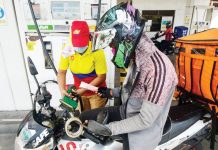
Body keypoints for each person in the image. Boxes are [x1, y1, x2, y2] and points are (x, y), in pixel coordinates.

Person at [79, 2, 178, 150]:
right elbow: (133, 90)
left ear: (126, 39)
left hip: (141, 134)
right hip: (125, 112)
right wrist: (111, 92)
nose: (112, 49)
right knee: (82, 118)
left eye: (112, 44)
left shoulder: (158, 70)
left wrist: (109, 129)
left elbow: (145, 120)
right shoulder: (137, 59)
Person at [58, 21, 107, 111]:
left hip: (96, 93)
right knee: (84, 117)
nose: (79, 47)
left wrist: (82, 90)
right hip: (79, 92)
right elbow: (62, 72)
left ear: (88, 37)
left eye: (82, 44)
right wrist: (62, 89)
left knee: (95, 119)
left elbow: (102, 77)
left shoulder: (97, 50)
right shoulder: (68, 48)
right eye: (76, 44)